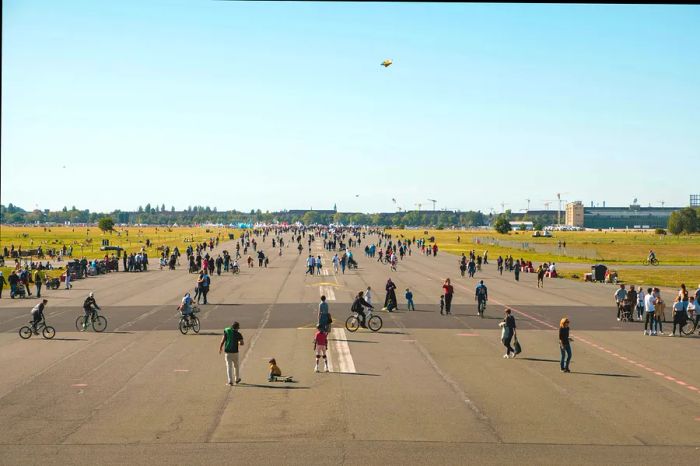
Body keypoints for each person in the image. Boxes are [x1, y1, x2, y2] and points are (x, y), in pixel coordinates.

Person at [219, 321, 244, 386]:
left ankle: (230, 381)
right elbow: (242, 343)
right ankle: (237, 378)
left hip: (227, 352)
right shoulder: (238, 334)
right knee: (236, 366)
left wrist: (220, 348)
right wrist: (238, 342)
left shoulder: (227, 331)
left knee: (229, 367)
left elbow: (223, 340)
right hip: (235, 352)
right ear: (237, 327)